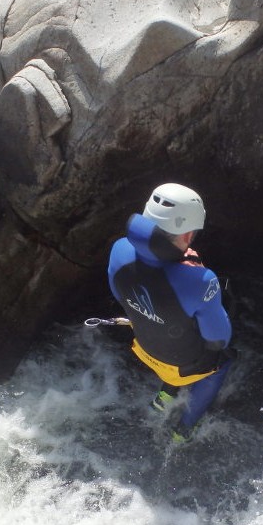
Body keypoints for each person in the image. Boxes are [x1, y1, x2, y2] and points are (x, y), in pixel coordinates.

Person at [107, 183, 232, 443]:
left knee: (168, 325)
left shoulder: (118, 250)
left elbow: (121, 296)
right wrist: (197, 271)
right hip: (184, 364)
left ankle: (166, 395)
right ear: (187, 237)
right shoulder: (201, 280)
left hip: (144, 349)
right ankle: (185, 428)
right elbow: (219, 338)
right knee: (222, 360)